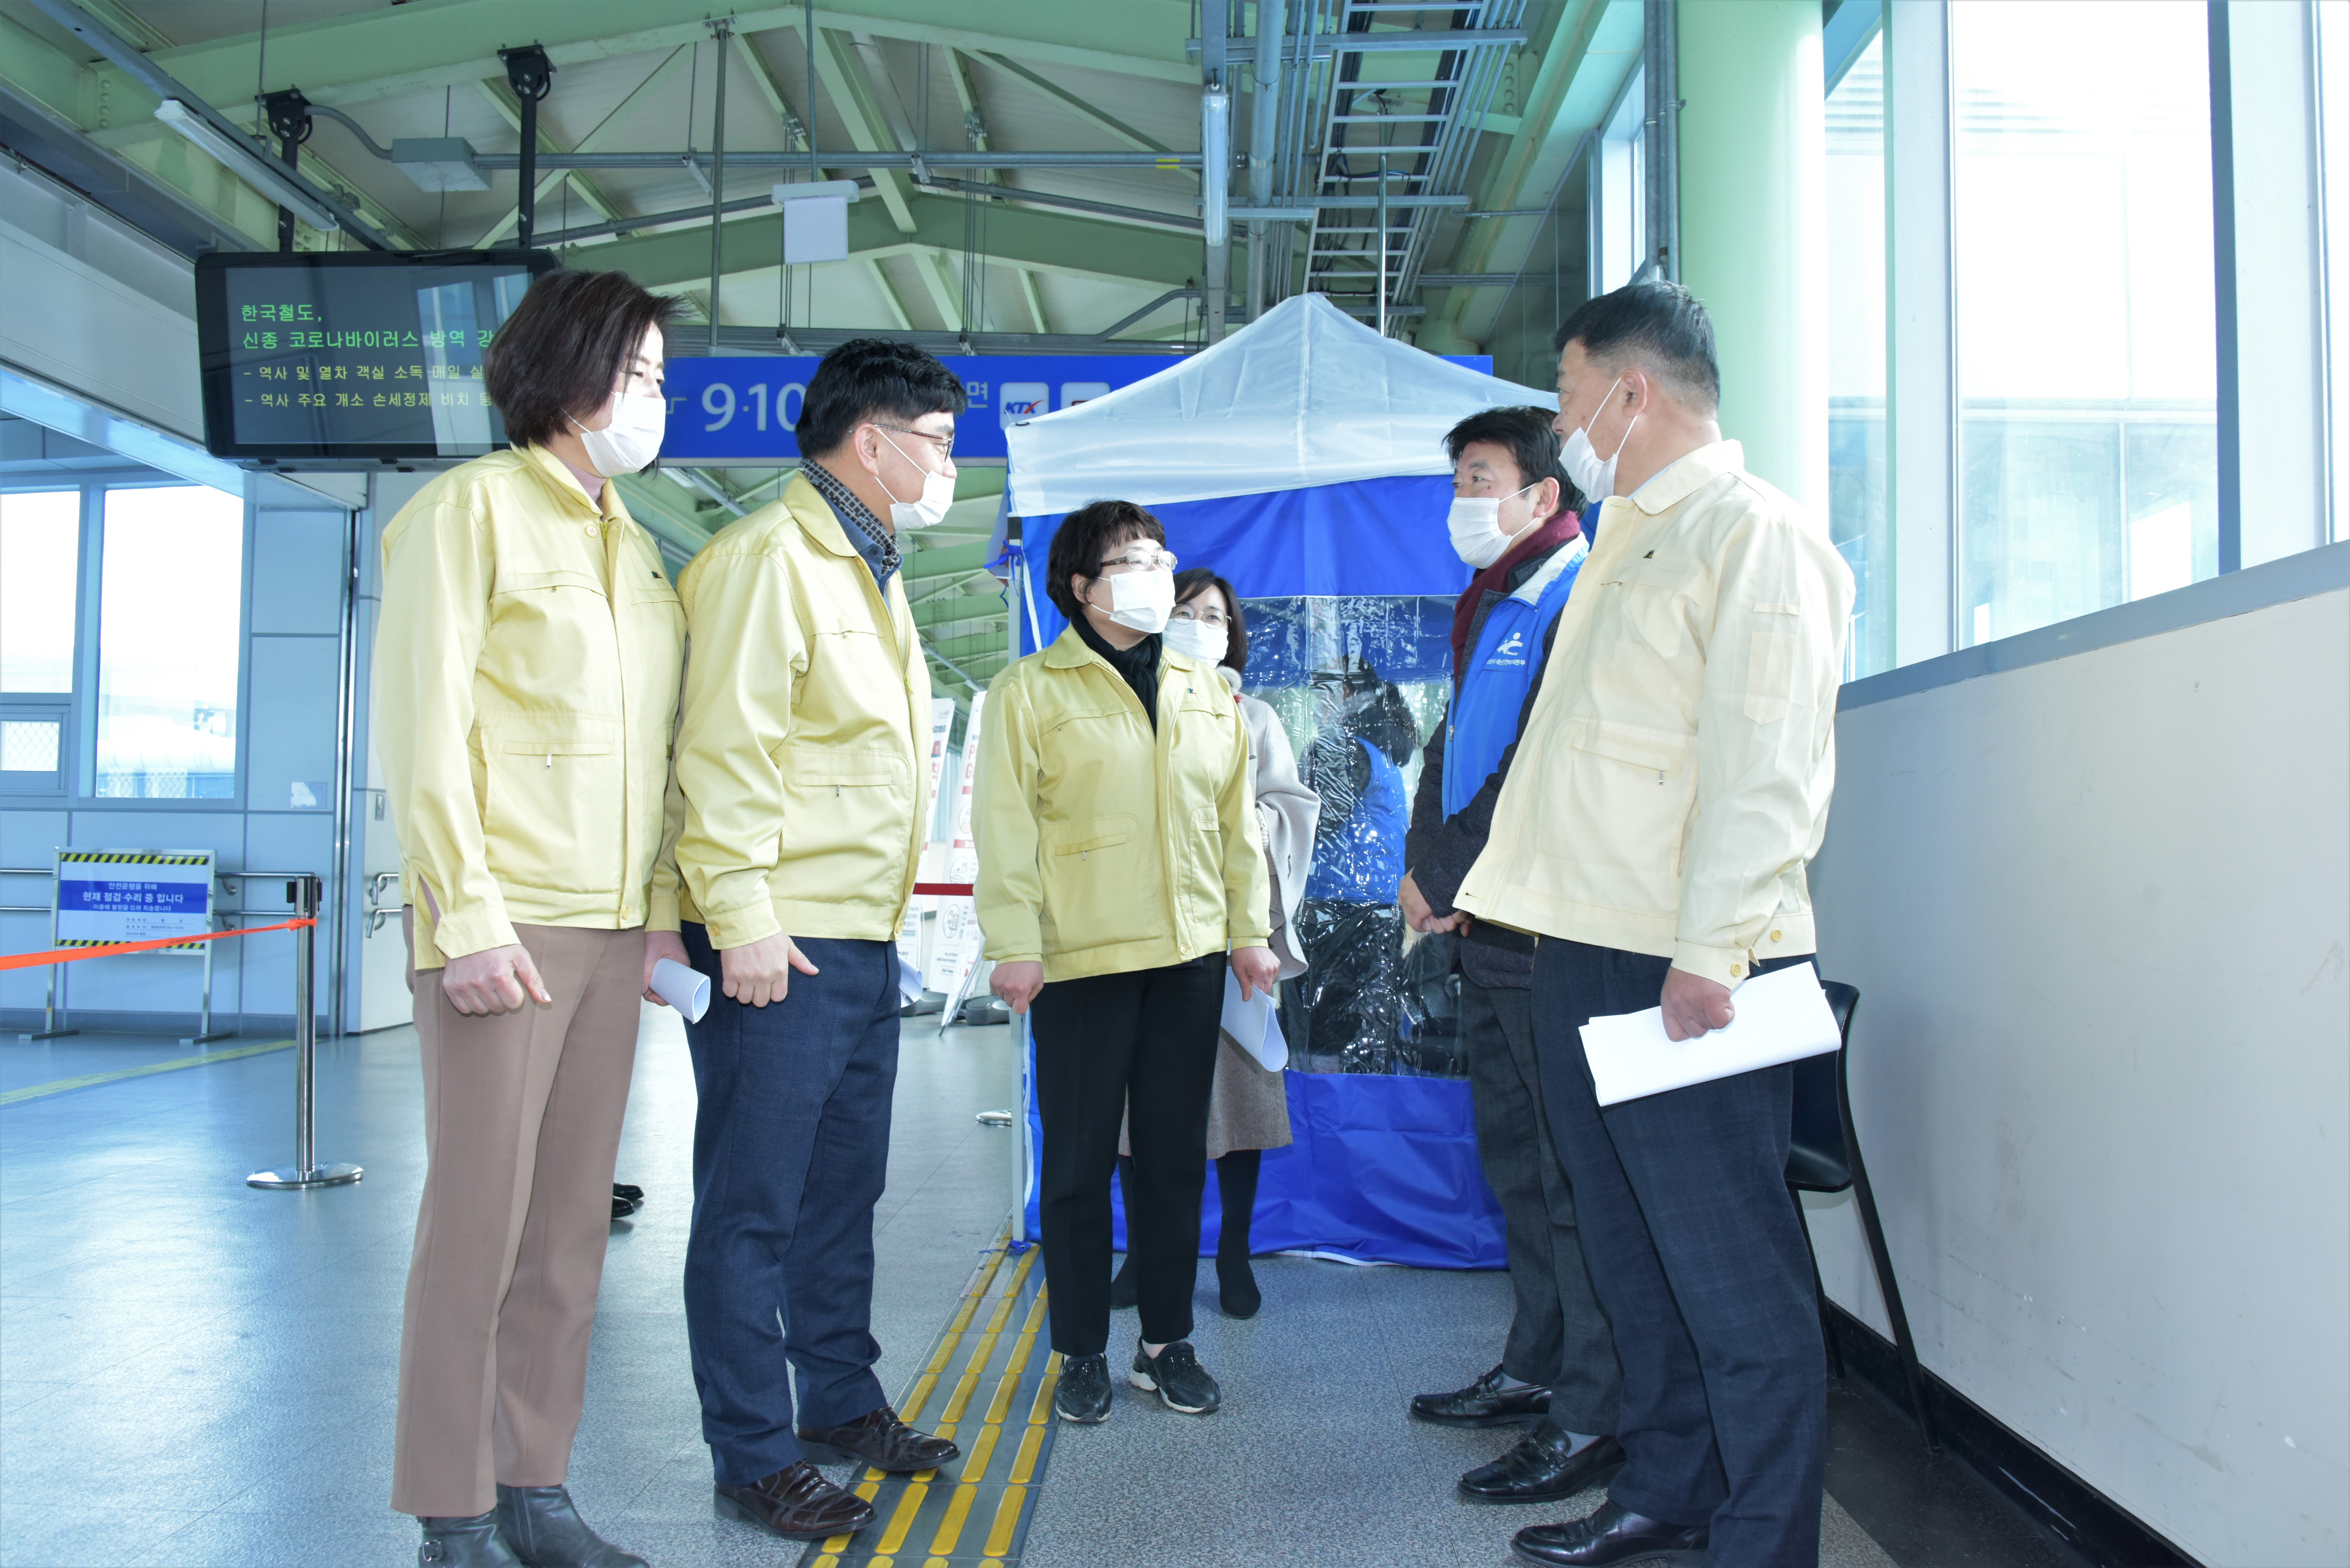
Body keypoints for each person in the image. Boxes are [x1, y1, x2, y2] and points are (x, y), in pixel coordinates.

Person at [1451, 282, 1855, 1568]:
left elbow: (1767, 772)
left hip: (1688, 960)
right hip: (1581, 942)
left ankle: (1764, 1533)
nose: (1564, 424)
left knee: (1731, 1272)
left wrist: (1709, 954)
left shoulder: (1755, 537)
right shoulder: (1628, 533)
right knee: (1629, 1252)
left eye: (1570, 397)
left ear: (1631, 391)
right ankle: (1666, 1489)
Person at [376, 267, 682, 1568]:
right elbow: (426, 727)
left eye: (662, 378)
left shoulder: (639, 550)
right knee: (478, 1228)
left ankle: (534, 1489)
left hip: (613, 935)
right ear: (566, 368)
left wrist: (662, 915)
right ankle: (452, 1511)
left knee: (566, 1235)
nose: (654, 400)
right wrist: (467, 919)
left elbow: (660, 753)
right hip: (505, 930)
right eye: (641, 373)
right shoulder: (467, 515)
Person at [642, 339, 964, 1544]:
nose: (944, 465)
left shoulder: (869, 567)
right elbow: (724, 752)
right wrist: (743, 919)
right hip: (777, 937)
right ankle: (752, 1451)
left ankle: (838, 1404)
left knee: (841, 1192)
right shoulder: (768, 560)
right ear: (869, 440)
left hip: (860, 934)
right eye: (934, 441)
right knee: (753, 1207)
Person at [975, 502, 1281, 1424]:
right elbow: (1006, 828)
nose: (1157, 576)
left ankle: (1164, 1342)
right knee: (1074, 1165)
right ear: (1082, 585)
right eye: (1133, 561)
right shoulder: (1029, 691)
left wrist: (1249, 931)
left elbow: (1234, 828)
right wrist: (1015, 945)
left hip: (1187, 957)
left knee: (1173, 1160)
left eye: (1162, 558)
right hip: (1079, 960)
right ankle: (1078, 1351)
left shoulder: (1205, 689)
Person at [1399, 407, 1627, 1510]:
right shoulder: (1498, 599)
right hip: (1489, 930)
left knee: (1575, 1180)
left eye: (1479, 476)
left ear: (1543, 495)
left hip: (1550, 930)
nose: (1462, 499)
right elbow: (1453, 747)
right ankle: (1537, 1364)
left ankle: (1591, 1411)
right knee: (1522, 1170)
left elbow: (1537, 761)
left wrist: (1443, 872)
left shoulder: (1575, 594)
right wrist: (1423, 864)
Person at [1108, 567, 1321, 1320]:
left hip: (1236, 931)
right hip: (1143, 932)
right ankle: (1142, 1249)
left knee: (1239, 1098)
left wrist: (1237, 821)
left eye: (1215, 616)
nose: (1202, 626)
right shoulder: (1126, 701)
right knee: (1140, 1101)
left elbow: (1290, 805)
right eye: (1185, 611)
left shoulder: (1252, 714)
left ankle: (1232, 1251)